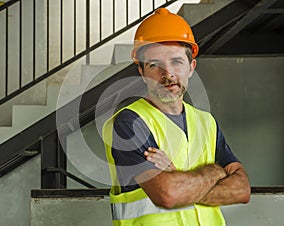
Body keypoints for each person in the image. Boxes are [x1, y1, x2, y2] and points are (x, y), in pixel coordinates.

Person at [102, 8, 250, 226]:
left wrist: (180, 178)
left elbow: (242, 190)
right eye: (155, 65)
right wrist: (216, 171)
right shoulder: (130, 123)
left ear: (191, 67)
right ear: (142, 72)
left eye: (177, 62)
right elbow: (168, 195)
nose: (168, 74)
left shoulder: (205, 122)